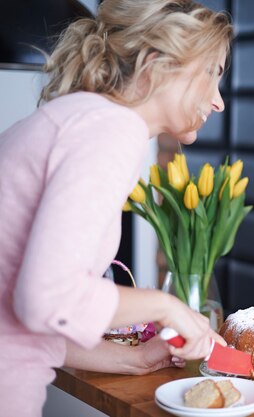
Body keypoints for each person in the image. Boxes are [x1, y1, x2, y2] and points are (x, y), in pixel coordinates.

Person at [0, 1, 233, 415]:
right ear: (158, 64)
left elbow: (25, 318)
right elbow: (44, 298)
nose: (219, 102)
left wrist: (128, 357)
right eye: (212, 74)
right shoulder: (111, 130)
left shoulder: (86, 119)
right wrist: (167, 307)